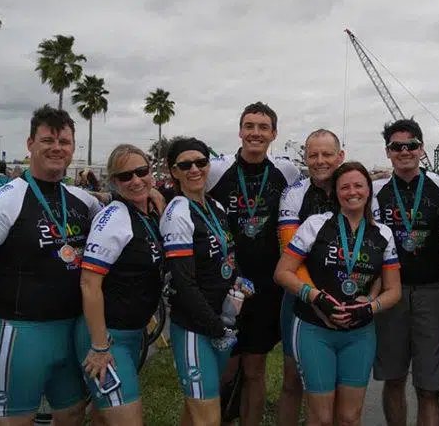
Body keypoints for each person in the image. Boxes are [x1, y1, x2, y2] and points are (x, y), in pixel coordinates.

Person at [0, 106, 103, 424]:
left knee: (73, 415)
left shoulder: (82, 201)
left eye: (64, 141)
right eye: (47, 139)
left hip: (72, 330)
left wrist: (153, 198)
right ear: (30, 143)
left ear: (73, 148)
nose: (56, 147)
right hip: (21, 333)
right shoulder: (6, 200)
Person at [274, 161, 402, 426]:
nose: (352, 192)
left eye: (358, 185)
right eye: (345, 187)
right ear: (336, 192)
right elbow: (283, 273)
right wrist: (315, 297)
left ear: (368, 191)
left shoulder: (383, 233)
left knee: (349, 417)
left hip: (359, 333)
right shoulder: (315, 224)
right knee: (320, 418)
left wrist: (369, 307)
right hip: (313, 328)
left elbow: (394, 290)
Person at [207, 102, 301, 426]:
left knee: (255, 370)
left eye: (263, 127)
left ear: (273, 134)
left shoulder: (286, 172)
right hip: (223, 285)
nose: (255, 133)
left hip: (265, 288)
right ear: (240, 131)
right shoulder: (217, 171)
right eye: (250, 126)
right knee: (224, 369)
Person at [160, 137, 251, 426]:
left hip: (220, 322)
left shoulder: (215, 207)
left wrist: (238, 281)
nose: (194, 169)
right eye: (185, 165)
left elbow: (225, 258)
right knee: (208, 417)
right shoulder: (178, 212)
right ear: (173, 171)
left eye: (201, 162)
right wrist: (214, 327)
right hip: (195, 329)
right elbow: (184, 282)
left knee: (196, 410)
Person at [371, 119, 439, 426]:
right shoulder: (376, 190)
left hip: (432, 292)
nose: (404, 151)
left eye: (411, 145)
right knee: (393, 379)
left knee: (428, 386)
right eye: (397, 147)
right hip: (391, 294)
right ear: (388, 152)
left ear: (421, 149)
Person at [76, 144, 165, 425]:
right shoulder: (113, 218)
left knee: (104, 418)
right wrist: (100, 346)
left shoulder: (146, 212)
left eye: (142, 172)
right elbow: (89, 283)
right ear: (113, 182)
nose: (136, 180)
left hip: (131, 334)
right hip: (108, 338)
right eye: (126, 176)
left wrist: (155, 196)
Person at [275, 128, 344, 425]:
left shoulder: (356, 189)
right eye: (313, 155)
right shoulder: (294, 194)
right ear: (304, 157)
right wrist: (316, 298)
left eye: (327, 154)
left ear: (340, 156)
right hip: (301, 298)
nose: (320, 161)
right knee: (292, 381)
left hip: (347, 298)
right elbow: (288, 252)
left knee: (342, 386)